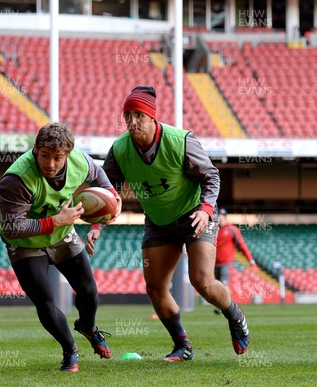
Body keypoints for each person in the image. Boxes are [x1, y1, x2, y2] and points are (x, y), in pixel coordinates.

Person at [101, 86, 250, 361]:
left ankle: (235, 315)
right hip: (158, 222)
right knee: (155, 288)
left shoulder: (180, 140)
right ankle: (182, 345)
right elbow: (106, 190)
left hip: (195, 213)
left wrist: (206, 210)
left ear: (152, 117)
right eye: (128, 115)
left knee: (201, 280)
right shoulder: (120, 149)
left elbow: (212, 176)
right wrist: (96, 225)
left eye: (139, 115)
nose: (132, 122)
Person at [0, 122, 120, 373]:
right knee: (45, 300)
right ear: (36, 149)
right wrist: (55, 221)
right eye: (45, 156)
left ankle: (88, 327)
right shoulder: (15, 179)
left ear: (69, 154)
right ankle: (70, 350)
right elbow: (12, 228)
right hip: (25, 244)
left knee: (89, 292)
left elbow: (107, 190)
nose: (51, 163)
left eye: (58, 157)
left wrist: (97, 225)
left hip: (63, 235)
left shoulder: (82, 162)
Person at [214, 208, 257, 313]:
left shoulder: (232, 229)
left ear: (225, 217)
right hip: (214, 263)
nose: (220, 218)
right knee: (217, 285)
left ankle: (225, 307)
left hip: (226, 263)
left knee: (224, 285)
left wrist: (250, 259)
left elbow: (242, 245)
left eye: (222, 216)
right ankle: (224, 305)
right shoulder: (214, 229)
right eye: (218, 215)